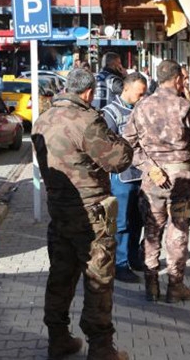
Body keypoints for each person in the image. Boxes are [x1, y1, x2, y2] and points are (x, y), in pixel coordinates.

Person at [31, 68, 133, 360]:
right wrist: (122, 141)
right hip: (90, 214)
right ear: (88, 93)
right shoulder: (87, 121)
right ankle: (101, 348)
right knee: (98, 279)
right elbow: (118, 160)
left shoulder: (42, 120)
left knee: (60, 275)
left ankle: (58, 338)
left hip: (58, 212)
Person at [123, 59, 190, 303]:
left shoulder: (141, 107)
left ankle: (151, 286)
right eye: (183, 78)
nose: (184, 81)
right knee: (179, 231)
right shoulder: (184, 106)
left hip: (153, 182)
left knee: (152, 231)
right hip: (181, 180)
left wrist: (150, 167)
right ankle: (175, 286)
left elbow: (127, 145)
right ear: (176, 80)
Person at [102, 72, 148, 283]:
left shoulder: (143, 109)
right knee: (122, 223)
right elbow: (106, 147)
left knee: (138, 219)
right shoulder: (110, 113)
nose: (141, 98)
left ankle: (133, 258)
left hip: (143, 174)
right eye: (139, 94)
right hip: (122, 177)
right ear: (127, 89)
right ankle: (120, 265)